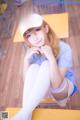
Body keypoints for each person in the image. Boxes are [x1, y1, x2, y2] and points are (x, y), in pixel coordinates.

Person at [10, 13, 78, 120]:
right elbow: (27, 81)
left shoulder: (65, 49)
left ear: (46, 29)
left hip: (61, 88)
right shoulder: (34, 51)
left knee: (46, 64)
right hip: (43, 87)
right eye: (29, 35)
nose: (35, 38)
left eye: (37, 30)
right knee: (33, 68)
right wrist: (25, 60)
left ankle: (24, 114)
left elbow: (57, 84)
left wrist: (50, 57)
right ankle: (25, 115)